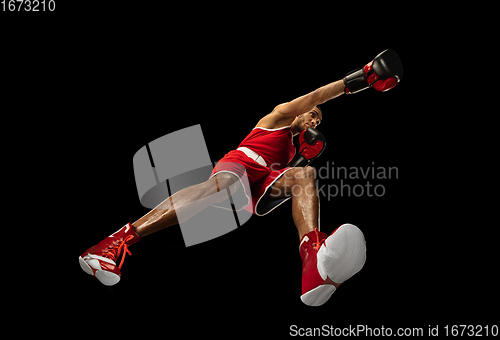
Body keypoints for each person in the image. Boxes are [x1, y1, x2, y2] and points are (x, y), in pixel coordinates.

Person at [79, 49, 403, 306]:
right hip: (239, 165)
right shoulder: (281, 115)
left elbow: (281, 187)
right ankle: (116, 240)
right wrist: (362, 78)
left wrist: (302, 156)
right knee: (223, 187)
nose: (315, 117)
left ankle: (313, 261)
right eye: (313, 114)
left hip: (261, 183)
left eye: (318, 118)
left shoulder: (293, 149)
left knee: (305, 174)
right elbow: (317, 95)